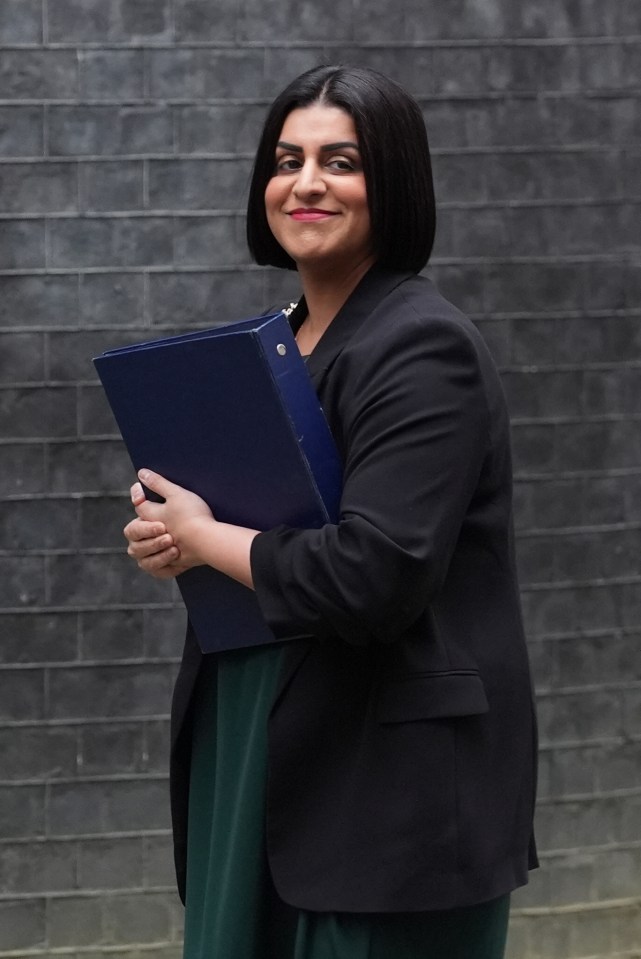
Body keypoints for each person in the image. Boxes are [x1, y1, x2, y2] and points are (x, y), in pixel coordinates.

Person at [124, 65, 538, 959]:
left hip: (384, 789)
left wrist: (209, 535)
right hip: (269, 754)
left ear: (393, 182)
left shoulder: (422, 346)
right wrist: (177, 534)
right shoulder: (277, 342)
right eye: (286, 159)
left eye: (339, 161)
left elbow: (371, 574)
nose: (305, 183)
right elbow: (258, 534)